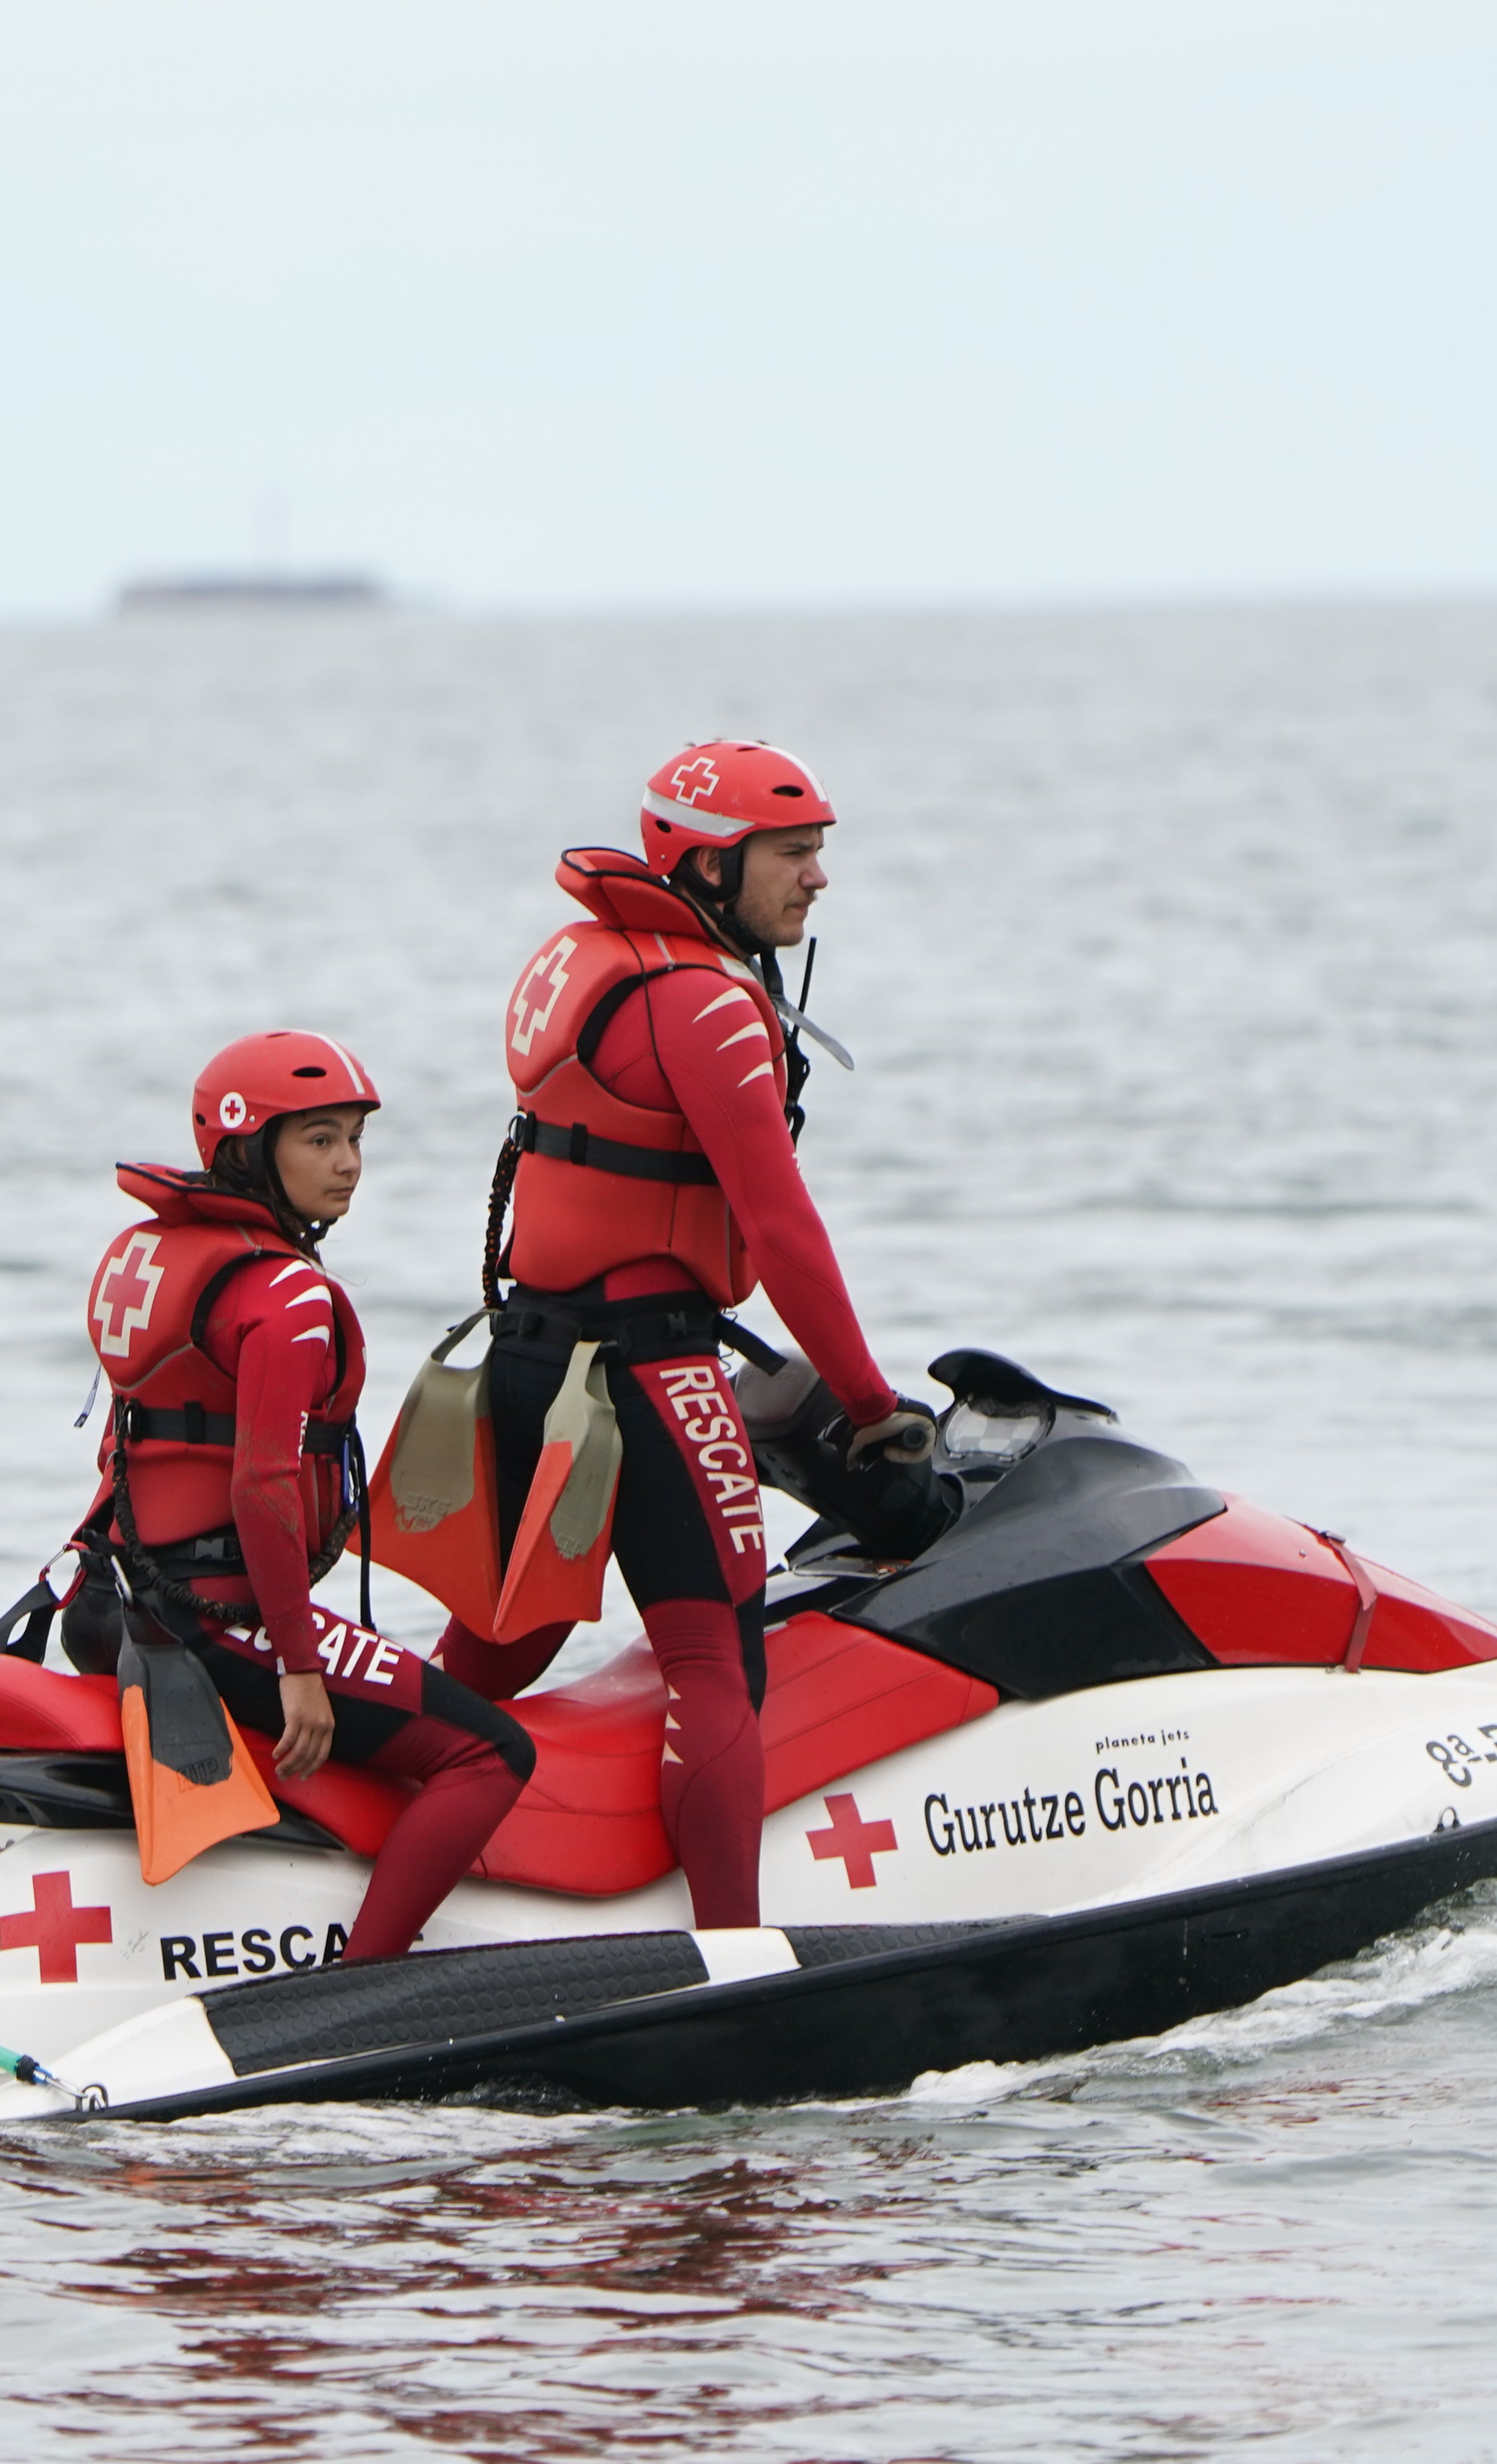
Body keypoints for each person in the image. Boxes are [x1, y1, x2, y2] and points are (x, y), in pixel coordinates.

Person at [435, 742, 932, 1928]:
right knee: (715, 1663)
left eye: (820, 851)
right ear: (711, 864)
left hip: (528, 1358)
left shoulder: (578, 960)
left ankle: (340, 1848)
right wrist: (873, 1410)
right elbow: (781, 1229)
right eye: (795, 854)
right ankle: (728, 1945)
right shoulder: (708, 1004)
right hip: (649, 1374)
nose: (819, 880)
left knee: (501, 1644)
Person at [63, 1031, 533, 1963]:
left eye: (356, 1138)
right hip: (217, 1622)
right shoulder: (287, 1295)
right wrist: (299, 1663)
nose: (349, 1165)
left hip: (107, 1604)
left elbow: (135, 1450)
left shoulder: (145, 1255)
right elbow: (263, 1484)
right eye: (318, 1140)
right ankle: (361, 1987)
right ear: (249, 1151)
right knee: (490, 1753)